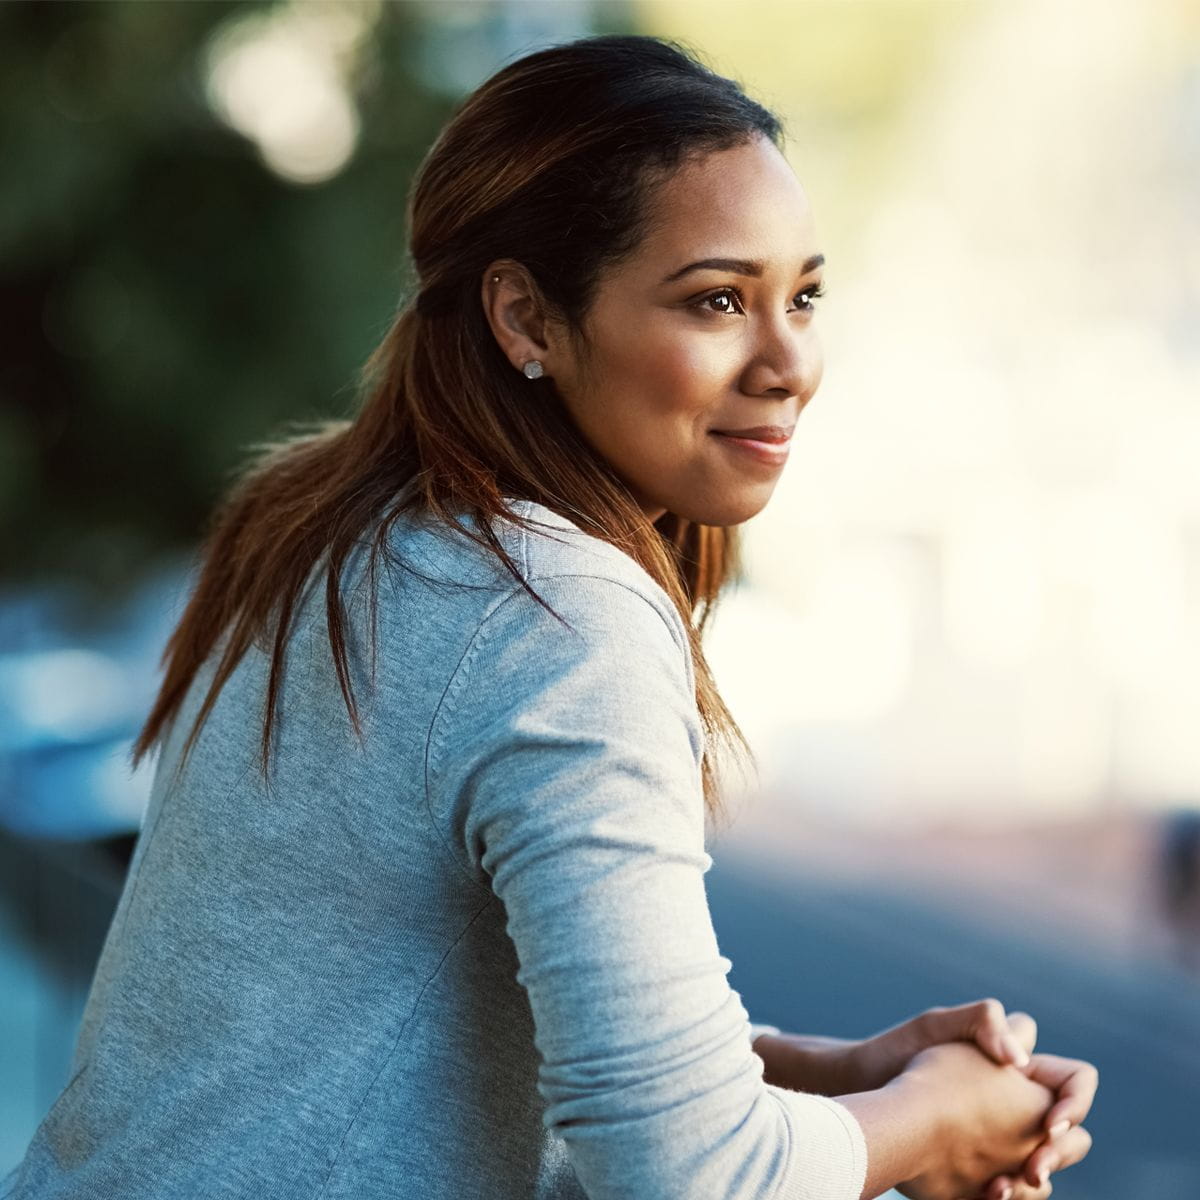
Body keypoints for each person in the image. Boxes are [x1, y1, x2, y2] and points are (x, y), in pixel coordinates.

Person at [3, 33, 1097, 1200]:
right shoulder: (553, 613)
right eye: (719, 299)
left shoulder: (332, 527)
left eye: (805, 296)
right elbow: (689, 1175)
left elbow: (393, 1028)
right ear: (526, 318)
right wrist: (926, 1127)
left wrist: (837, 1078)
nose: (792, 362)